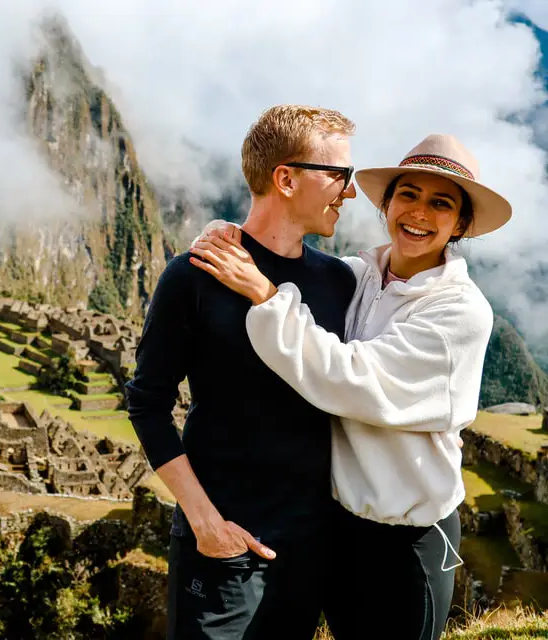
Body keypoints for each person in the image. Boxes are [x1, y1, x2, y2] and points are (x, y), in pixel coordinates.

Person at [189, 133, 510, 640]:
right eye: (408, 195)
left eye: (441, 203)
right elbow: (284, 253)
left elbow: (351, 378)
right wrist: (225, 236)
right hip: (341, 525)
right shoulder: (361, 276)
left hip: (409, 539)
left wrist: (264, 295)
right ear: (387, 203)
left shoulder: (460, 311)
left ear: (461, 224)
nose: (419, 213)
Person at [125, 104, 358, 639]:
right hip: (223, 544)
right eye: (339, 175)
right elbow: (147, 402)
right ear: (286, 178)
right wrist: (205, 522)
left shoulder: (340, 283)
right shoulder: (194, 276)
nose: (349, 192)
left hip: (311, 544)